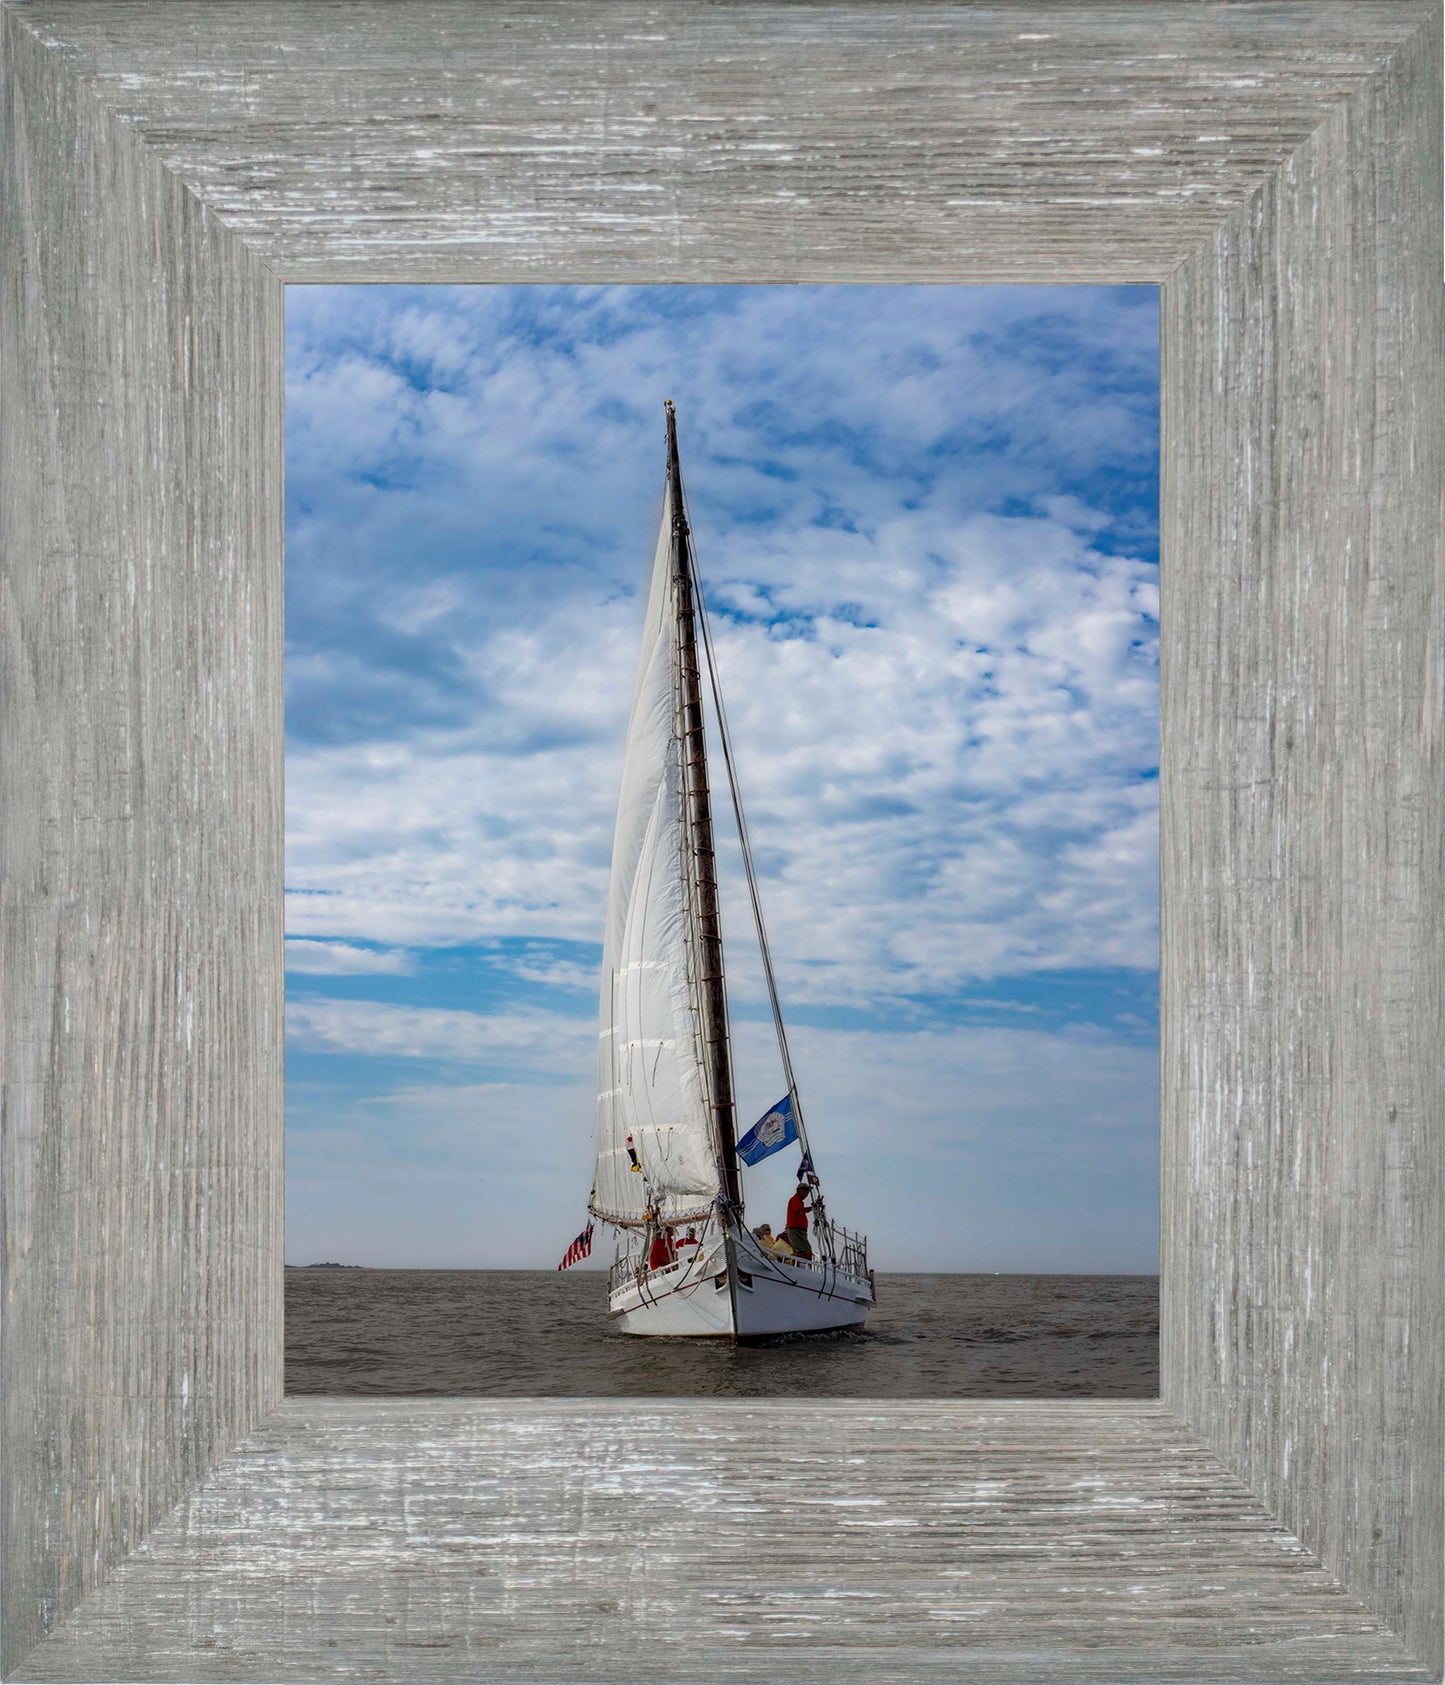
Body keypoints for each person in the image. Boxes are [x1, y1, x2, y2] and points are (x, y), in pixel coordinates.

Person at [782, 1185, 813, 1259]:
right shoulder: (795, 1199)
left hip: (799, 1231)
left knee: (802, 1252)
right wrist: (813, 1207)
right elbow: (801, 1211)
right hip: (796, 1230)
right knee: (807, 1253)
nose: (807, 1193)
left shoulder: (799, 1201)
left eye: (808, 1191)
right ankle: (787, 1259)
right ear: (798, 1190)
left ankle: (793, 1264)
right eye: (805, 1190)